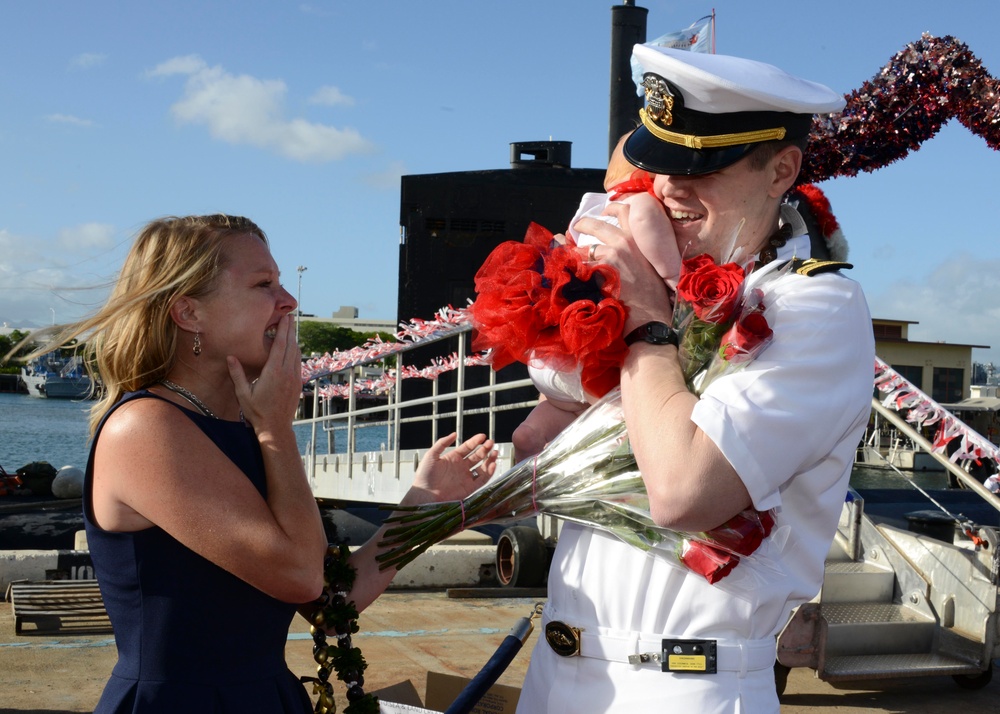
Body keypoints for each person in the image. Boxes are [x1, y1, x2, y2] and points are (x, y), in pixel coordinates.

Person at [516, 44, 875, 713]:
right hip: (557, 675)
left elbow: (684, 491)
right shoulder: (657, 289)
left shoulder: (813, 308)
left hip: (682, 687)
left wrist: (646, 322)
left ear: (781, 171)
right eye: (659, 164)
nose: (671, 186)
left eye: (701, 164)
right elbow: (540, 435)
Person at [24, 214, 497, 713]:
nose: (289, 301)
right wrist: (276, 426)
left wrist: (423, 503)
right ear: (189, 312)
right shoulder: (145, 429)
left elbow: (331, 606)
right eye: (263, 284)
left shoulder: (241, 428)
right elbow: (299, 576)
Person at [511, 132, 682, 461]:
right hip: (597, 358)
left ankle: (526, 444)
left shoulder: (591, 208)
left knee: (548, 422)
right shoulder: (640, 204)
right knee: (621, 415)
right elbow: (648, 227)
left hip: (553, 356)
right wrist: (677, 279)